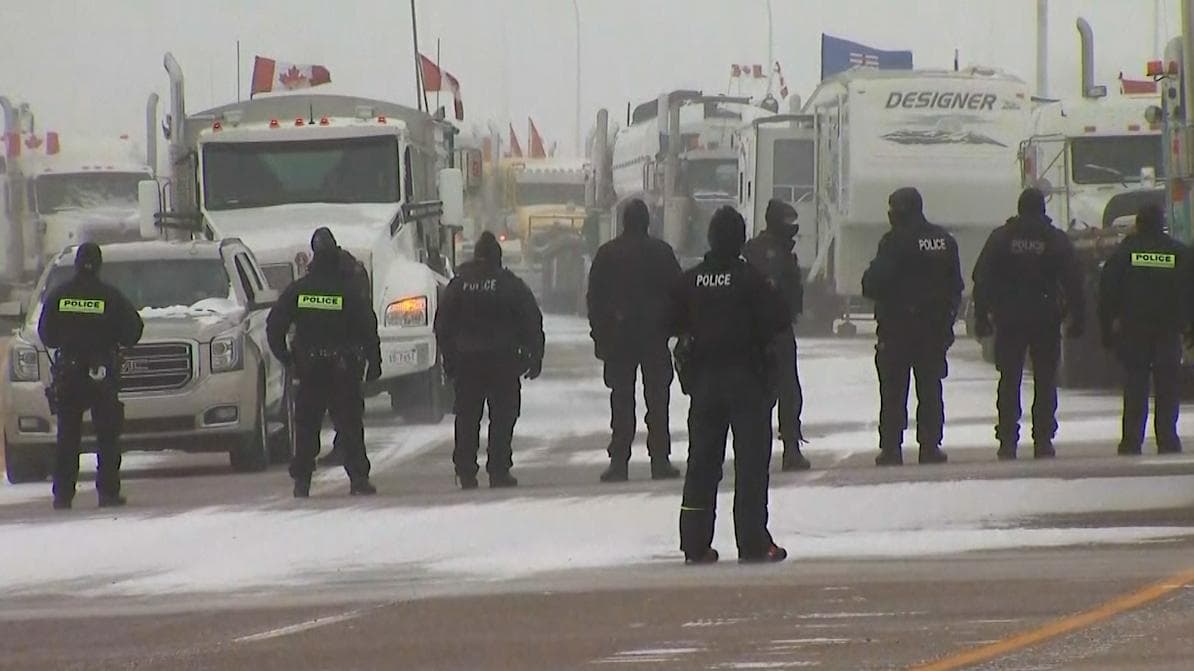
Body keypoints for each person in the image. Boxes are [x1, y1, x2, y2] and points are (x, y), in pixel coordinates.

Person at [670, 206, 790, 564]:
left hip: (705, 382)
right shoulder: (752, 281)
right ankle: (753, 541)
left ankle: (694, 542)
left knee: (701, 464)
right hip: (746, 381)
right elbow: (779, 319)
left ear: (710, 238)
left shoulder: (690, 281)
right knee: (751, 464)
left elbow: (670, 321)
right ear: (740, 240)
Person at [267, 227, 382, 498]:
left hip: (310, 370)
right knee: (350, 425)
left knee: (307, 427)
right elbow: (368, 328)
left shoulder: (300, 290)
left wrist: (287, 358)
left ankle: (302, 481)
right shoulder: (349, 290)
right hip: (344, 369)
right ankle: (358, 479)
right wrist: (374, 362)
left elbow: (274, 325)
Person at [972, 188, 1085, 460]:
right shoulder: (1054, 238)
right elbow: (1073, 280)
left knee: (1009, 379)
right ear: (1043, 209)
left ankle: (1007, 440)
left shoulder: (1002, 237)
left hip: (1009, 319)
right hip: (1045, 318)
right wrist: (1077, 316)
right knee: (1045, 379)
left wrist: (982, 317)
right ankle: (1043, 439)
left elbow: (982, 278)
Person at [434, 231, 545, 489]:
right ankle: (499, 470)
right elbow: (531, 320)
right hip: (503, 363)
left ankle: (466, 471)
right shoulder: (511, 285)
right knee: (503, 417)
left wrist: (449, 359)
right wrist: (534, 356)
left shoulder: (459, 285)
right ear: (498, 257)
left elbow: (443, 325)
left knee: (467, 417)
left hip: (467, 362)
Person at [861, 187, 963, 466]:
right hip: (933, 329)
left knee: (893, 391)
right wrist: (946, 320)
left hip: (898, 328)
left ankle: (892, 447)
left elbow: (873, 283)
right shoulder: (943, 240)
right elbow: (956, 285)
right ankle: (930, 445)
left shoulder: (894, 242)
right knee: (930, 388)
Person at [38, 242, 144, 510]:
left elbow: (46, 335)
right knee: (107, 437)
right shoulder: (110, 297)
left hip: (69, 374)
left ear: (76, 264)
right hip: (101, 375)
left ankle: (63, 495)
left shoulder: (60, 296)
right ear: (98, 265)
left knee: (67, 437)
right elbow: (133, 331)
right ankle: (108, 493)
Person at [587, 199, 683, 483]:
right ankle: (660, 460)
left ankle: (619, 462)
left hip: (619, 339)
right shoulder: (662, 253)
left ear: (623, 222)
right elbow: (679, 293)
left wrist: (600, 334)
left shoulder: (607, 254)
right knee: (658, 400)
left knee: (621, 400)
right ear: (647, 222)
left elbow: (595, 298)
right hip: (655, 337)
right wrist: (676, 329)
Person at [1098, 204, 1192, 455]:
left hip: (1134, 329)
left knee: (1135, 384)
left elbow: (1107, 292)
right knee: (1167, 386)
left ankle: (1131, 440)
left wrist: (1107, 328)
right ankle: (1167, 439)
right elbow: (1189, 291)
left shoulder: (1125, 253)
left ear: (1138, 224)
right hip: (1167, 330)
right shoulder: (1178, 253)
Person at [743, 199, 812, 471]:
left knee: (771, 393)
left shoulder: (756, 249)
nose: (793, 228)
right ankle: (789, 448)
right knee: (784, 391)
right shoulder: (770, 253)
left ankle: (762, 449)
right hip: (773, 332)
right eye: (788, 222)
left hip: (760, 332)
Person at [318, 246, 373, 469]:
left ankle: (346, 452)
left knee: (345, 408)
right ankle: (349, 456)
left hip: (341, 353)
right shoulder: (351, 277)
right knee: (344, 408)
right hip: (344, 353)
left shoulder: (343, 281)